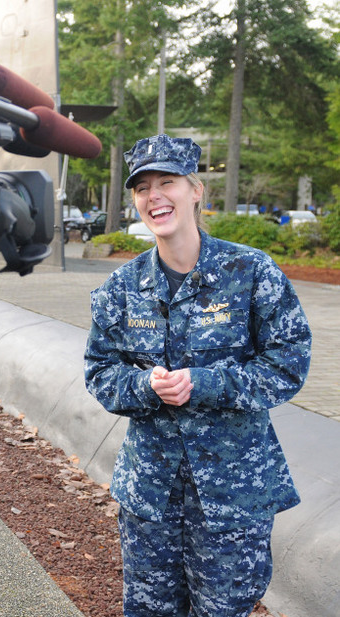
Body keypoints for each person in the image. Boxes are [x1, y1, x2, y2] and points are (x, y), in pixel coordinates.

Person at [84, 134, 311, 617]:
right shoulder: (119, 290)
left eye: (167, 182)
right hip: (150, 496)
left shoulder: (250, 272)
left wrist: (205, 383)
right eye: (143, 188)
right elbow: (101, 373)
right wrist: (145, 386)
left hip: (233, 492)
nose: (155, 197)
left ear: (195, 190)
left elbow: (288, 364)